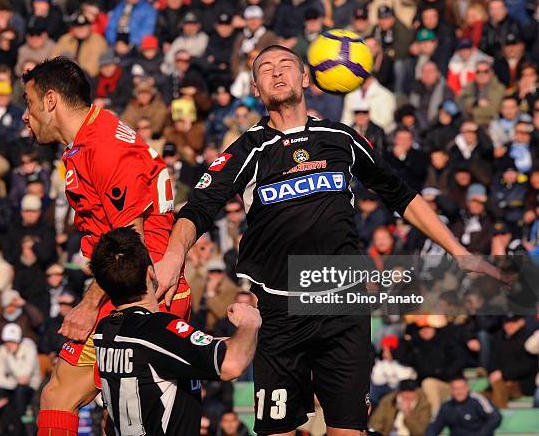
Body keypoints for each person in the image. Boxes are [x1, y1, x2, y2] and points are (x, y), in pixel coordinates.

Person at [155, 45, 508, 435]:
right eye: (266, 69)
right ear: (255, 88)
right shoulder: (248, 150)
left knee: (347, 429)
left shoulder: (340, 138)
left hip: (343, 309)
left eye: (286, 65)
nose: (277, 73)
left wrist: (459, 252)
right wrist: (174, 254)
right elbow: (199, 207)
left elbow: (401, 194)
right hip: (280, 311)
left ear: (306, 77)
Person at [21, 57, 192, 436]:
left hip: (145, 292)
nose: (25, 114)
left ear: (51, 101)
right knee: (90, 409)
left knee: (84, 406)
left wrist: (87, 304)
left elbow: (128, 242)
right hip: (124, 286)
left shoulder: (105, 147)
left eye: (29, 103)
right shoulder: (90, 138)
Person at [91, 226, 261, 435]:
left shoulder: (105, 330)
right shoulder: (157, 329)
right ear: (151, 273)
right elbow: (231, 364)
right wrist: (250, 322)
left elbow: (172, 351)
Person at [425, 376, 502, 436]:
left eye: (461, 388)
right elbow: (434, 426)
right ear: (451, 390)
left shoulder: (477, 400)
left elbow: (495, 417)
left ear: (467, 388)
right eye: (455, 389)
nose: (459, 392)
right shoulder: (446, 405)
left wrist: (482, 434)